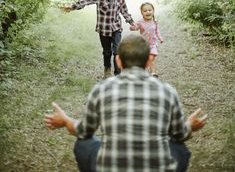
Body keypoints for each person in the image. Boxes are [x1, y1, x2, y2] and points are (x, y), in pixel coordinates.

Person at [45, 34, 207, 172]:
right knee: (180, 148)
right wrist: (189, 126)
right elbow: (179, 134)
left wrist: (65, 120)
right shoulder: (167, 91)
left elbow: (83, 131)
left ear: (118, 61)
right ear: (149, 62)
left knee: (83, 144)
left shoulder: (102, 89)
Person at [63, 0, 134, 78]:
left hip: (116, 28)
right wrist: (72, 7)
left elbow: (124, 11)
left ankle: (118, 74)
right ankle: (107, 69)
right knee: (107, 52)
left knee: (117, 51)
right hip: (103, 29)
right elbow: (85, 2)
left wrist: (131, 22)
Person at [130, 2, 164, 76]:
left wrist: (160, 38)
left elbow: (157, 31)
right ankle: (144, 71)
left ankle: (153, 72)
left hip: (153, 44)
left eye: (149, 10)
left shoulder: (155, 22)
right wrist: (133, 26)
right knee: (145, 59)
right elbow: (134, 28)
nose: (148, 12)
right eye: (145, 11)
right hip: (143, 44)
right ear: (142, 13)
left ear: (153, 11)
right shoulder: (140, 22)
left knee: (151, 57)